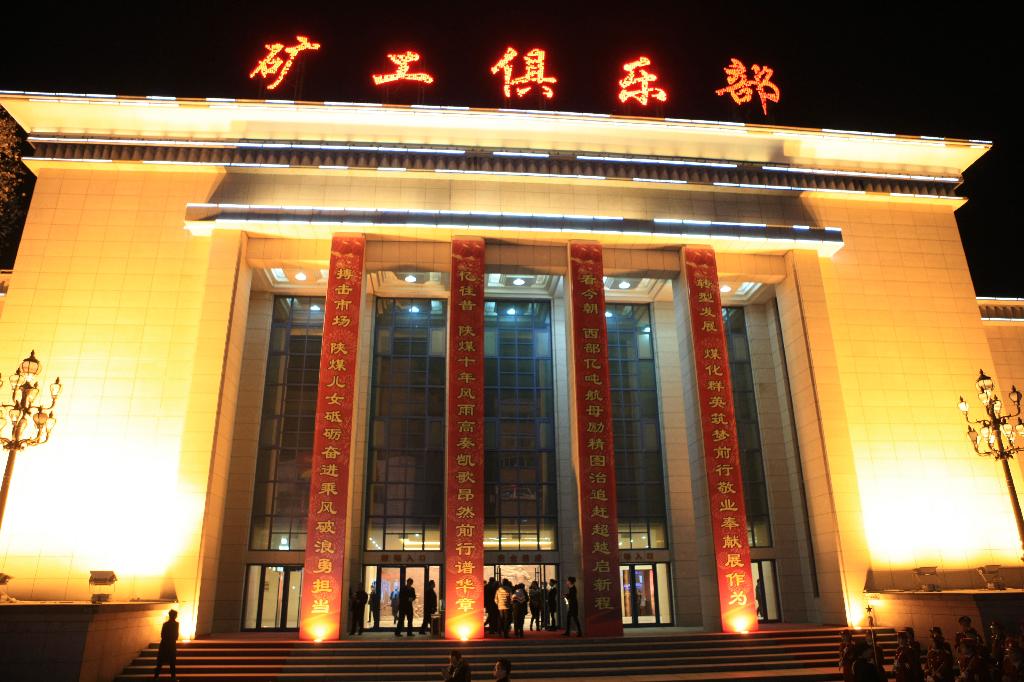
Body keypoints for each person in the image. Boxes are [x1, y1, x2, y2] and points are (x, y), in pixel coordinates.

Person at [153, 609, 179, 680]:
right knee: (172, 663)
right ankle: (173, 678)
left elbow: (162, 635)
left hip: (164, 645)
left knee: (160, 663)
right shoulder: (176, 624)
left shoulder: (165, 624)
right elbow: (176, 636)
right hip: (171, 646)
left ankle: (156, 677)